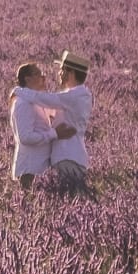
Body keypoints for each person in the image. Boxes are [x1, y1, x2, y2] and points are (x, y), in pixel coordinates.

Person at [46, 53, 92, 191]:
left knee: (68, 196)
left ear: (70, 73)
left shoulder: (73, 96)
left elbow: (42, 99)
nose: (59, 73)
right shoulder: (80, 95)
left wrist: (20, 91)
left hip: (67, 157)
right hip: (74, 156)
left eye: (62, 69)